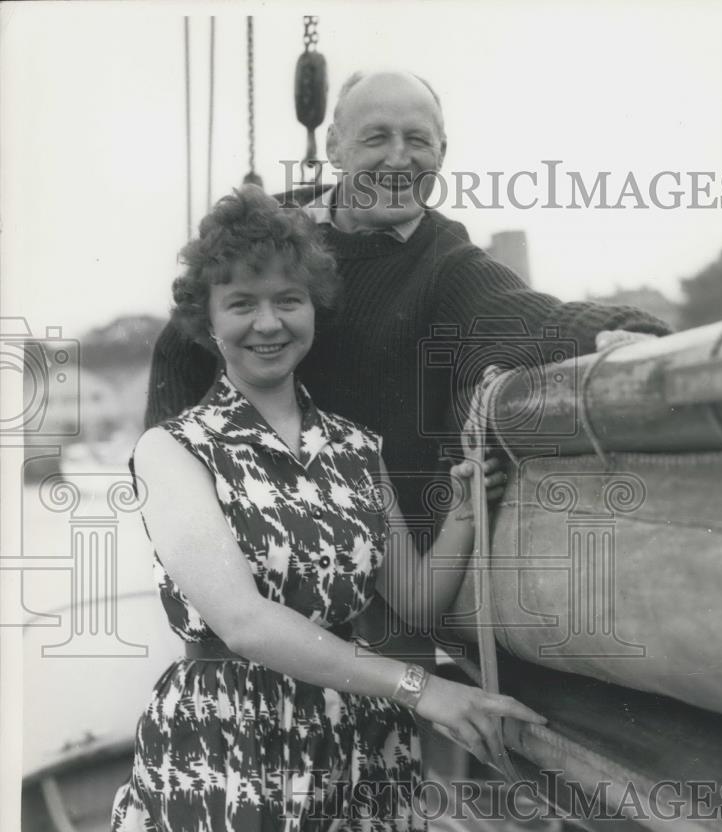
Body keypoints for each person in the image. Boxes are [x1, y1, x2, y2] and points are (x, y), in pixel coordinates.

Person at [82, 187, 544, 832]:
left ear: (315, 309)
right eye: (242, 303)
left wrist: (466, 508)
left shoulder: (353, 448)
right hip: (232, 749)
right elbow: (243, 623)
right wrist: (427, 691)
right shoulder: (173, 449)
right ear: (207, 319)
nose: (268, 322)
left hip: (361, 757)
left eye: (288, 299)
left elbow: (414, 601)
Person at [145, 70, 673, 541]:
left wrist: (622, 329)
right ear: (334, 147)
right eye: (376, 137)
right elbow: (179, 348)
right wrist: (177, 490)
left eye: (417, 140)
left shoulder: (443, 259)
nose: (399, 158)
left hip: (374, 550)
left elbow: (528, 314)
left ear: (441, 152)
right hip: (251, 525)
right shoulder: (277, 227)